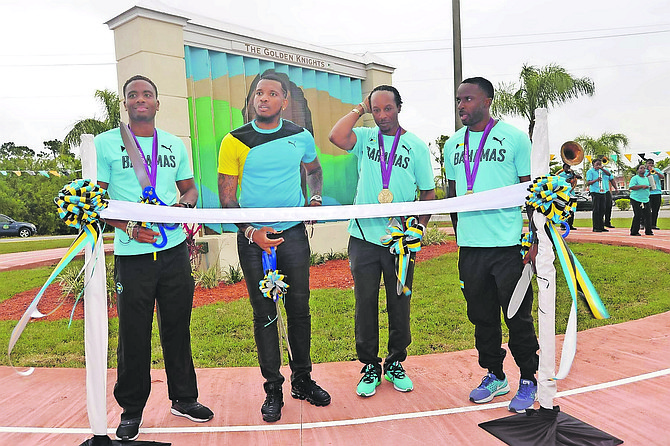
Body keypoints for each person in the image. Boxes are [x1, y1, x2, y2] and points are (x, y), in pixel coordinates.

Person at [96, 75, 213, 442]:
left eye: (148, 94)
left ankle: (184, 398)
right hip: (133, 256)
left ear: (157, 103)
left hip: (174, 250)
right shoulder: (105, 144)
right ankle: (132, 410)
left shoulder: (175, 144)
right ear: (125, 103)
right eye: (133, 95)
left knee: (177, 328)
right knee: (133, 335)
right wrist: (128, 226)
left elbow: (189, 188)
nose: (140, 99)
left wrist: (185, 206)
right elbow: (94, 200)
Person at [218, 71, 330, 423]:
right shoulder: (234, 140)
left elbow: (314, 170)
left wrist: (314, 199)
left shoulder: (301, 137)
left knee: (299, 309)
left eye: (271, 94)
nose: (263, 98)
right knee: (265, 313)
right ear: (252, 100)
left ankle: (303, 380)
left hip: (293, 235)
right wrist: (252, 232)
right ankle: (273, 389)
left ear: (284, 101)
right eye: (258, 93)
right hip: (253, 239)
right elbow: (227, 199)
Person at [329, 85, 435, 397]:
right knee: (365, 303)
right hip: (363, 237)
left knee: (399, 301)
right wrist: (359, 109)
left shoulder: (415, 146)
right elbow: (336, 136)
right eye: (376, 109)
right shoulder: (364, 138)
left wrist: (420, 228)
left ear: (399, 108)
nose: (382, 115)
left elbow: (428, 193)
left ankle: (395, 362)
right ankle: (370, 365)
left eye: (388, 108)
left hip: (400, 241)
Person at [444, 76, 539, 413]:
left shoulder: (514, 139)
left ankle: (528, 377)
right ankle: (495, 375)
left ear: (487, 100)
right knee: (481, 316)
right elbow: (452, 196)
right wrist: (461, 238)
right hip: (471, 249)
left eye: (468, 99)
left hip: (508, 246)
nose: (461, 106)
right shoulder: (452, 144)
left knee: (517, 316)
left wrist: (534, 238)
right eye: (458, 100)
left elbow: (532, 193)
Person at [629, 164, 653, 236]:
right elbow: (631, 187)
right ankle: (634, 231)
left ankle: (648, 230)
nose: (643, 169)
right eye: (641, 168)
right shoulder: (635, 178)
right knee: (638, 214)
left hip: (645, 199)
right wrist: (641, 186)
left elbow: (651, 187)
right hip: (636, 198)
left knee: (648, 215)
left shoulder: (647, 178)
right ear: (638, 170)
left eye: (644, 168)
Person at [585, 158, 608, 232]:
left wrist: (602, 168)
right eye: (597, 164)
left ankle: (601, 226)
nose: (598, 165)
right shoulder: (590, 171)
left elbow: (609, 174)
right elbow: (588, 183)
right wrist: (596, 180)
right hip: (595, 191)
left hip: (602, 191)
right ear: (593, 164)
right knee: (596, 209)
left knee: (603, 209)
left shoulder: (602, 171)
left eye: (600, 164)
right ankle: (596, 227)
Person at [557, 163, 581, 230]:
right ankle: (563, 225)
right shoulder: (561, 175)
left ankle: (570, 224)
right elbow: (559, 182)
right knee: (564, 209)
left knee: (571, 210)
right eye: (566, 167)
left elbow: (580, 177)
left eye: (569, 166)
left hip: (571, 193)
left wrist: (573, 174)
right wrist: (566, 180)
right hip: (564, 194)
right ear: (563, 168)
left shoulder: (572, 174)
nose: (568, 168)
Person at [645, 159, 663, 230]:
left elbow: (662, 177)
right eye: (649, 163)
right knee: (647, 210)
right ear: (646, 164)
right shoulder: (645, 171)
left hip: (657, 192)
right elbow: (643, 179)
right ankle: (646, 224)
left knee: (655, 209)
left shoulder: (657, 170)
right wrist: (649, 172)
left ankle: (653, 225)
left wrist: (656, 172)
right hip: (648, 193)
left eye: (652, 163)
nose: (651, 165)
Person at [601, 162, 618, 228]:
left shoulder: (606, 170)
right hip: (599, 191)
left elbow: (611, 179)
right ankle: (601, 222)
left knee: (609, 206)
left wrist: (616, 188)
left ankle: (607, 222)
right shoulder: (595, 171)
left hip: (607, 190)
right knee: (601, 208)